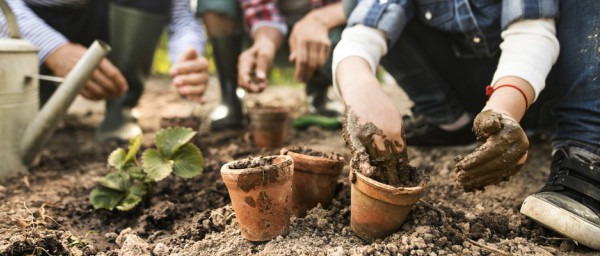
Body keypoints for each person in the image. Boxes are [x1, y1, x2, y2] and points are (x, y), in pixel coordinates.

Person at [334, 0, 599, 249]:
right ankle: (450, 120)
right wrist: (360, 88)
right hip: (473, 90)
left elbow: (532, 31)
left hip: (549, 86)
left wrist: (504, 109)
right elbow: (366, 27)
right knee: (354, 5)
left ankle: (585, 148)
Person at [0, 0, 209, 143]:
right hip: (24, 15)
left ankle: (120, 108)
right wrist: (51, 48)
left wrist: (189, 53)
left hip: (103, 17)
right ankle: (29, 104)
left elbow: (180, 15)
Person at [196, 0, 347, 131]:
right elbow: (262, 11)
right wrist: (265, 42)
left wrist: (318, 21)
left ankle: (319, 92)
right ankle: (230, 96)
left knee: (356, 25)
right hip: (259, 33)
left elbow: (365, 5)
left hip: (328, 34)